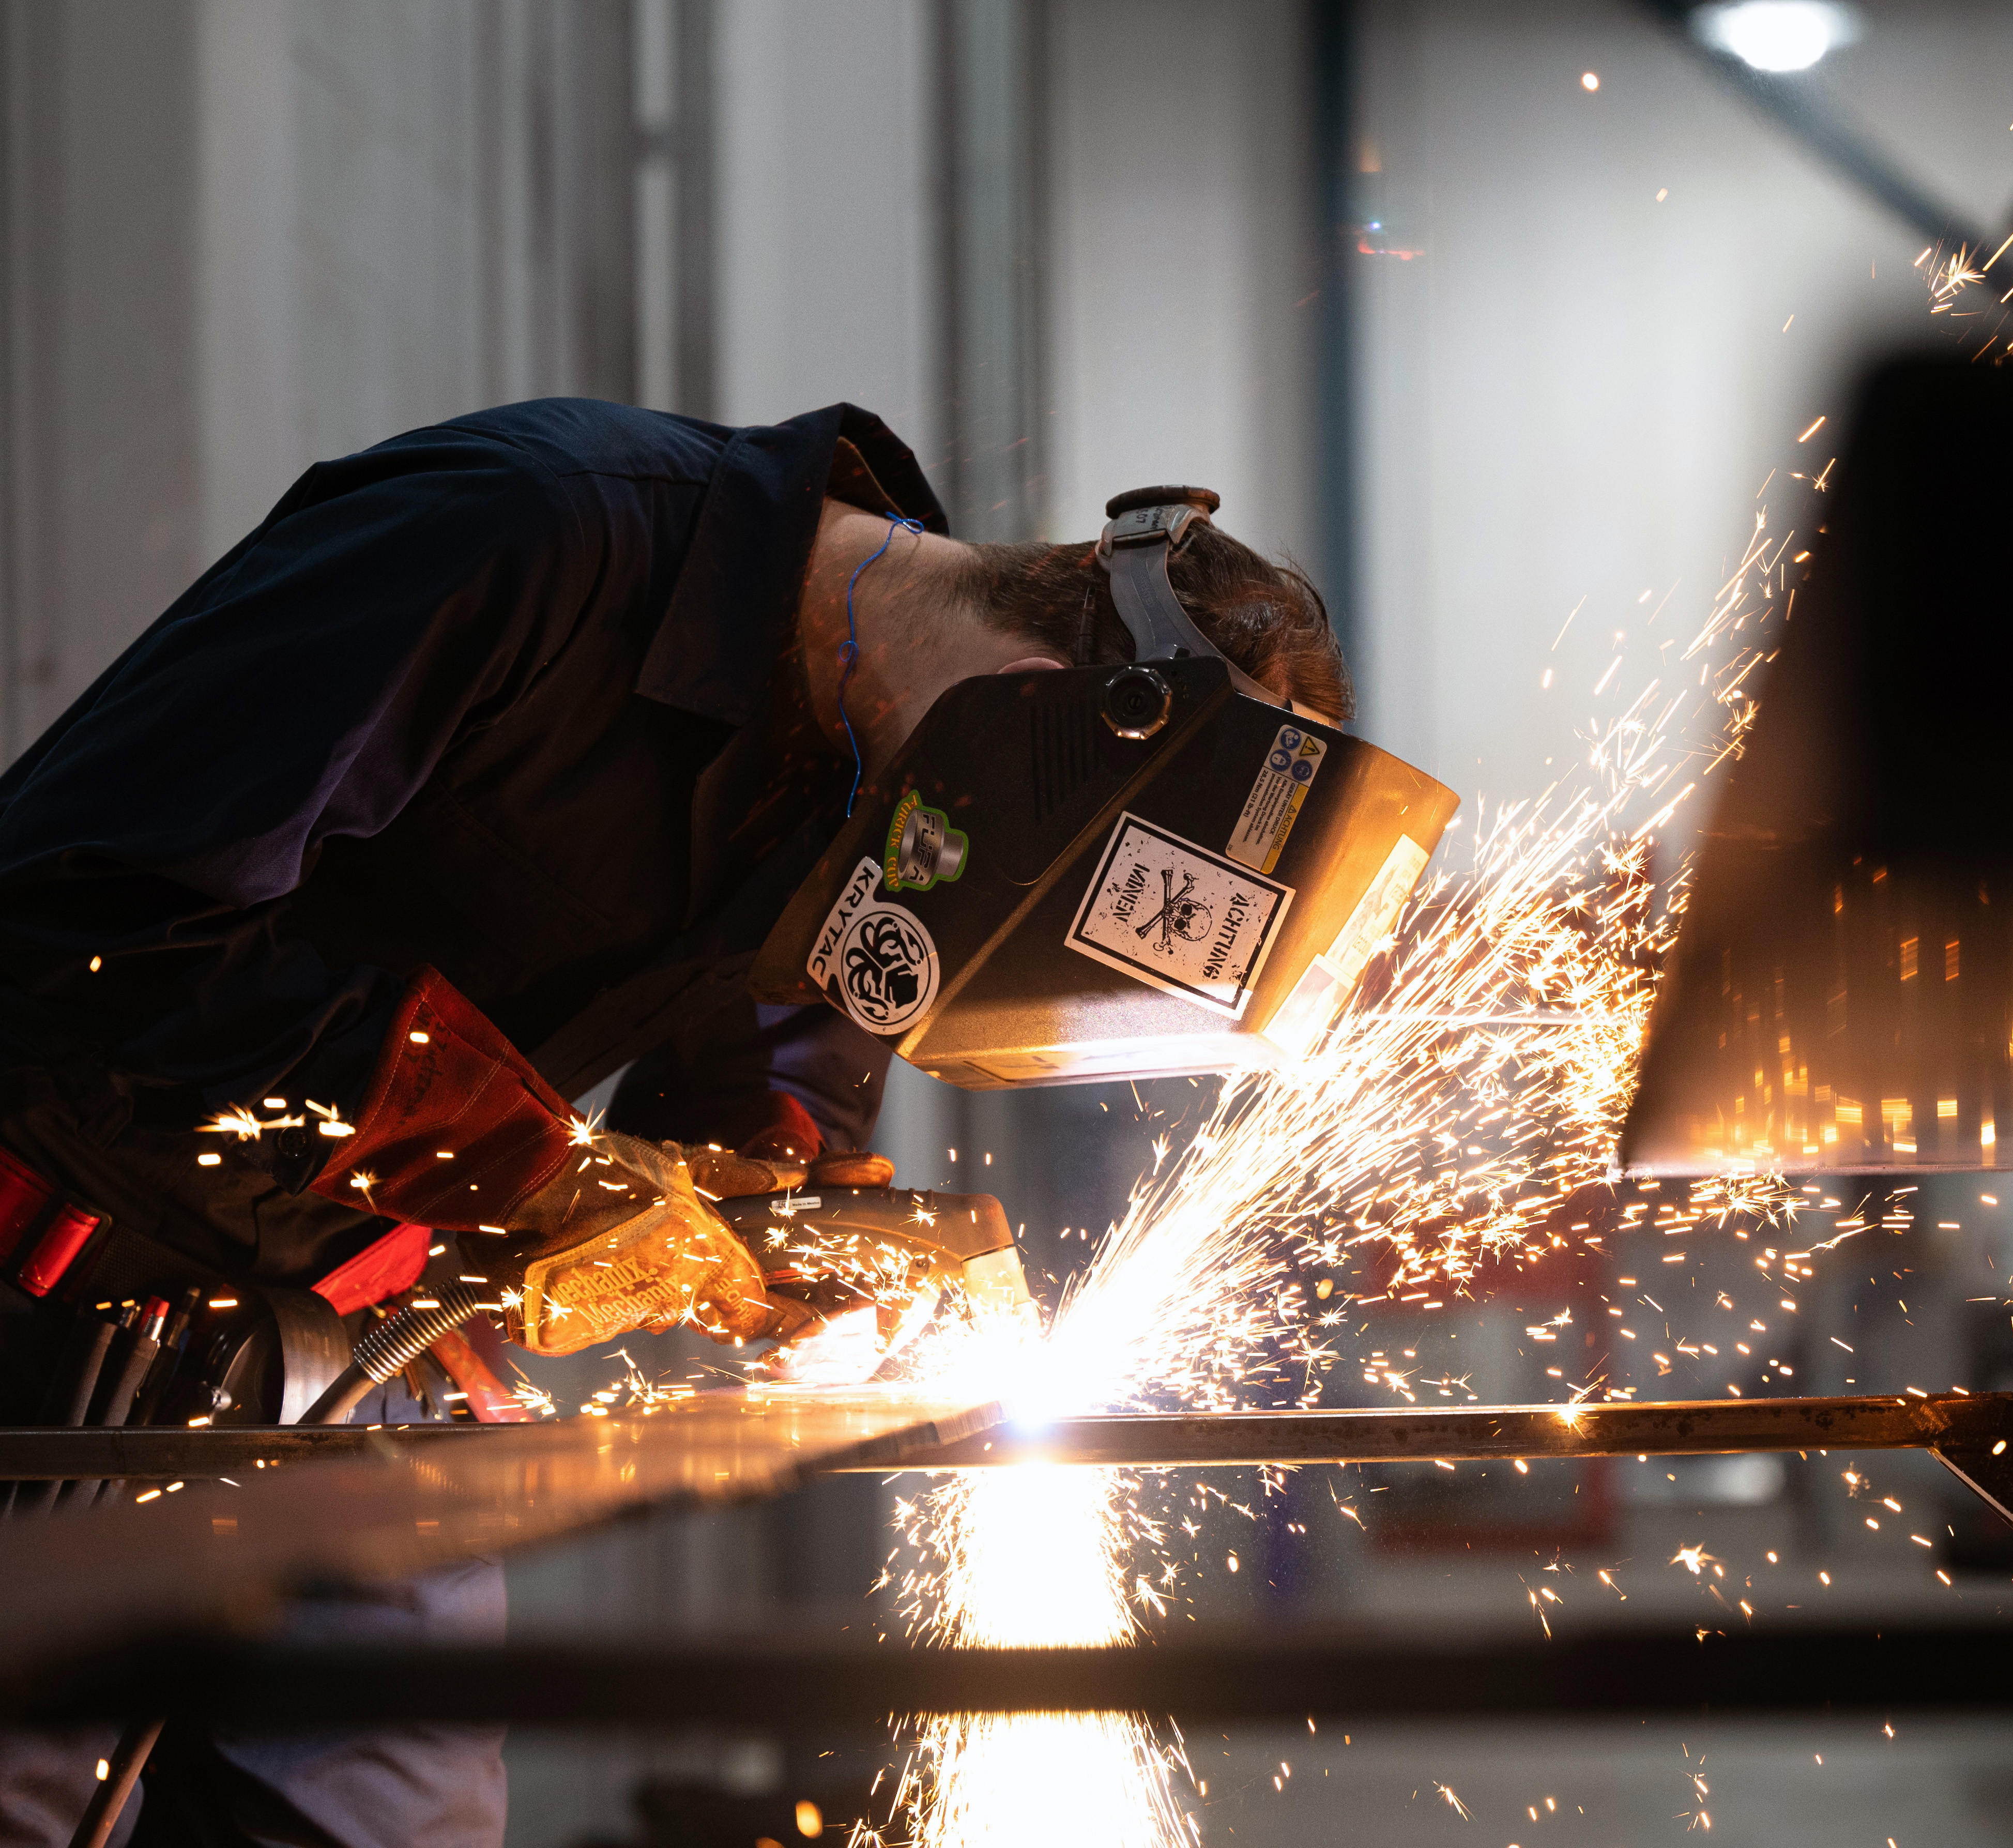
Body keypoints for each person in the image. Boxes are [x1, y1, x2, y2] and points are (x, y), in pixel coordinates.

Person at [0, 397, 1350, 1847]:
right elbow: (82, 927)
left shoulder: (897, 766)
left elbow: (771, 1084)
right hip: (59, 1289)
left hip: (366, 1348)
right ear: (1030, 696)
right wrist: (542, 1176)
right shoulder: (521, 538)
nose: (930, 904)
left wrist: (806, 1244)